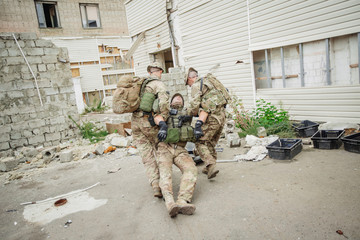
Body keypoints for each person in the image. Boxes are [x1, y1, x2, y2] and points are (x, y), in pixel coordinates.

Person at [131, 62, 170, 198]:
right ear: (159, 71)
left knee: (146, 155)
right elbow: (163, 103)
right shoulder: (158, 84)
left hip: (135, 123)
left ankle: (154, 184)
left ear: (149, 72)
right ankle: (164, 184)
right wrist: (163, 120)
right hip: (149, 123)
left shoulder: (140, 83)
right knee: (160, 149)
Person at [156, 93, 198, 217]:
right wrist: (163, 125)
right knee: (165, 174)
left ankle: (182, 201)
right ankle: (170, 203)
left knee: (191, 169)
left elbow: (198, 110)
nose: (178, 98)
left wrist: (189, 116)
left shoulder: (187, 112)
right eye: (175, 98)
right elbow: (157, 116)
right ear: (170, 102)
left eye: (181, 98)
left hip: (180, 149)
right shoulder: (166, 110)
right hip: (165, 148)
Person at [186, 67, 226, 179]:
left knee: (199, 141)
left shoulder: (196, 86)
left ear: (190, 78)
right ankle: (209, 168)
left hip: (211, 118)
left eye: (187, 82)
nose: (188, 86)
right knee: (210, 142)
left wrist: (189, 115)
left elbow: (195, 107)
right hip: (222, 116)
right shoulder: (210, 81)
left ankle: (210, 164)